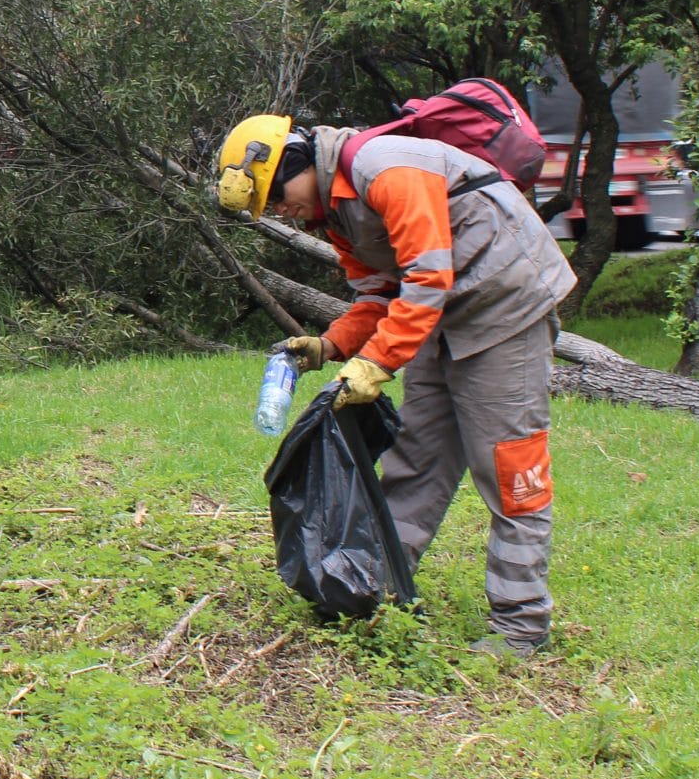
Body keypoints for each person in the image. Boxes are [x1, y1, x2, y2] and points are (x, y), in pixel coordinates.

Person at [217, 114, 574, 659]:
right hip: (443, 316)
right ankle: (379, 587)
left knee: (509, 468)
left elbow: (428, 278)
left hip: (506, 308)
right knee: (418, 456)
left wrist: (376, 364)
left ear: (295, 161)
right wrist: (329, 347)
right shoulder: (337, 215)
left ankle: (523, 625)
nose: (281, 213)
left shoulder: (388, 172)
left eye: (277, 196)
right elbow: (379, 298)